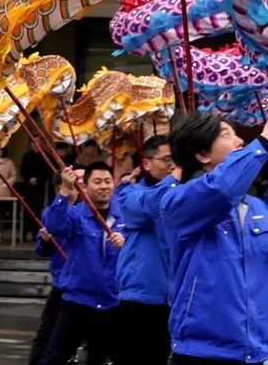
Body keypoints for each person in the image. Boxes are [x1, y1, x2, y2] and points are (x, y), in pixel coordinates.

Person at [160, 106, 268, 364]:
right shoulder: (179, 201)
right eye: (226, 135)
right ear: (202, 154)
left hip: (258, 351)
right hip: (201, 353)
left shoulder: (258, 208)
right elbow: (221, 190)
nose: (240, 141)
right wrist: (265, 140)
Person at [39, 162, 125, 365]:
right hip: (78, 301)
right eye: (97, 181)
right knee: (54, 357)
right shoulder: (76, 214)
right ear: (85, 186)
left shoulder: (124, 214)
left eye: (107, 181)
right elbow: (53, 226)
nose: (104, 186)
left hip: (113, 302)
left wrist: (126, 243)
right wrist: (65, 190)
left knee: (103, 358)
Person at [112, 135, 178, 365]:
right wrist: (175, 178)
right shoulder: (130, 193)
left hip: (175, 298)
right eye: (167, 159)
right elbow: (148, 207)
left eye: (176, 159)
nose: (172, 165)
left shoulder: (182, 192)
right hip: (141, 296)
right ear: (147, 164)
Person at [28, 166, 84, 365]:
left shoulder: (89, 211)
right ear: (59, 188)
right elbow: (41, 249)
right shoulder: (53, 212)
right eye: (75, 183)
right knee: (47, 333)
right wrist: (46, 241)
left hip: (85, 284)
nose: (80, 186)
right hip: (62, 282)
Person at [21, 144, 53, 242]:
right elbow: (23, 168)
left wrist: (38, 179)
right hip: (28, 187)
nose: (36, 144)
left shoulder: (46, 155)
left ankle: (36, 234)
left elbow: (48, 171)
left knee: (38, 210)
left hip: (40, 187)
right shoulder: (27, 155)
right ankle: (24, 234)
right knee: (27, 210)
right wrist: (29, 178)